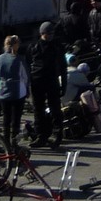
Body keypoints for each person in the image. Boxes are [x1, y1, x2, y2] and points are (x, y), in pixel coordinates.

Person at [27, 21, 67, 149]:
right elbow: (28, 65)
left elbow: (63, 66)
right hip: (37, 81)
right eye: (48, 33)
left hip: (52, 81)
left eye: (52, 33)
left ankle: (57, 135)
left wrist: (64, 84)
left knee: (55, 109)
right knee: (38, 109)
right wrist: (27, 83)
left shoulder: (57, 47)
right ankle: (41, 135)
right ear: (42, 33)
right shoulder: (33, 46)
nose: (50, 36)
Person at [0, 35, 30, 151]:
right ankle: (14, 142)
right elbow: (24, 76)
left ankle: (5, 143)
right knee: (16, 119)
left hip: (3, 90)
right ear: (15, 45)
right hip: (18, 91)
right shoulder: (19, 59)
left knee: (6, 118)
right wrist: (27, 88)